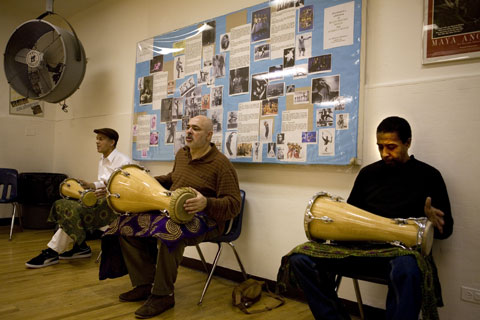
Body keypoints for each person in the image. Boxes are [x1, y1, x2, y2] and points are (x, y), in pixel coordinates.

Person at [287, 116, 453, 320]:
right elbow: (349, 218)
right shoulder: (368, 174)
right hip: (359, 251)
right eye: (380, 147)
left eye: (391, 146)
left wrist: (432, 223)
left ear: (408, 142)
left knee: (408, 269)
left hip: (400, 253)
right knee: (299, 257)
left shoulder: (429, 176)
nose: (385, 153)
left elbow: (447, 231)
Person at [111, 115, 241, 319]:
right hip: (173, 210)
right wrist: (147, 182)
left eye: (195, 129)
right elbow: (174, 178)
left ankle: (163, 295)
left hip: (208, 220)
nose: (189, 131)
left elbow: (234, 205)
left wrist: (206, 203)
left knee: (170, 231)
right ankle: (145, 284)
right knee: (126, 224)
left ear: (209, 135)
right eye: (188, 127)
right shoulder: (182, 154)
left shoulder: (221, 164)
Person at [26, 128, 131, 268]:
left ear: (112, 142)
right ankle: (80, 247)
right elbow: (104, 182)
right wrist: (90, 185)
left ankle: (53, 252)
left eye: (101, 139)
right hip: (102, 201)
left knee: (74, 212)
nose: (97, 142)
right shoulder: (102, 160)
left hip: (114, 206)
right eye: (97, 138)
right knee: (66, 205)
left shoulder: (124, 162)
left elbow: (126, 189)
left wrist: (106, 191)